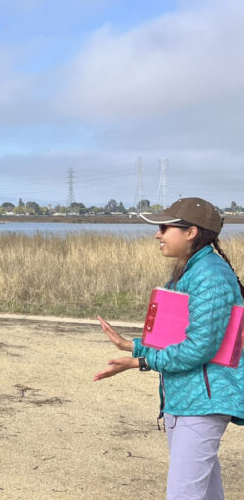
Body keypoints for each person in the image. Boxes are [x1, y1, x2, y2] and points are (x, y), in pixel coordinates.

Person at [96, 197, 244, 499]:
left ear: (191, 232)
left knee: (184, 494)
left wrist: (142, 361)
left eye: (165, 227)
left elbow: (199, 348)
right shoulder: (192, 272)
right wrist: (134, 346)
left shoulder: (210, 276)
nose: (157, 234)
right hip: (188, 398)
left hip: (204, 402)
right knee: (204, 493)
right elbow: (181, 337)